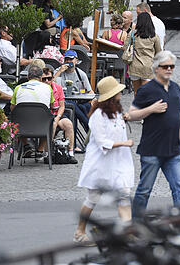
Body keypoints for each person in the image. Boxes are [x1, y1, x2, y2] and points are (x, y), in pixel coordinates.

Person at [74, 76, 134, 244]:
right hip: (100, 164)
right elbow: (102, 142)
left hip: (118, 163)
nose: (121, 93)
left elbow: (116, 128)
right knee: (92, 198)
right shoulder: (98, 116)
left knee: (124, 194)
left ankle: (127, 231)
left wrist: (124, 119)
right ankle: (79, 231)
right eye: (118, 92)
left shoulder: (116, 111)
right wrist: (124, 143)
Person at [128, 51, 180, 215]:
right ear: (156, 69)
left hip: (174, 149)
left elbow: (177, 116)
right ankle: (136, 226)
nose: (169, 69)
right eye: (165, 66)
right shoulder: (146, 90)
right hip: (152, 149)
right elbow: (131, 115)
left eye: (171, 66)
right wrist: (151, 109)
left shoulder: (176, 88)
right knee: (144, 190)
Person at [38, 66, 78, 163]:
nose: (47, 81)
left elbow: (62, 106)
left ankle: (70, 153)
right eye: (44, 79)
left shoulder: (58, 88)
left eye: (49, 78)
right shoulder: (39, 89)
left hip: (57, 114)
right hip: (44, 116)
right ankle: (48, 153)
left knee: (68, 124)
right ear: (40, 79)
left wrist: (58, 117)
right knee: (51, 125)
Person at [124, 12, 162, 93]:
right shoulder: (154, 36)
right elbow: (159, 53)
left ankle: (137, 105)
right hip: (148, 67)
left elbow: (125, 47)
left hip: (135, 67)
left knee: (136, 93)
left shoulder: (133, 34)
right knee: (146, 93)